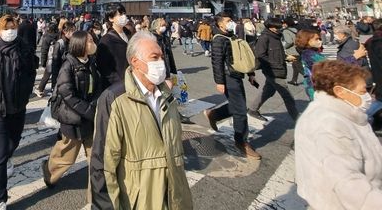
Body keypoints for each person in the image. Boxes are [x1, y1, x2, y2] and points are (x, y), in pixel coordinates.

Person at [91, 31, 193, 209]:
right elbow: (104, 164)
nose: (161, 63)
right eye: (154, 57)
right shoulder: (115, 100)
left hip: (175, 197)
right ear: (135, 62)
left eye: (161, 57)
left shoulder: (166, 96)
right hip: (139, 200)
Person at [295, 60, 382, 208]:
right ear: (340, 91)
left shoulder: (339, 112)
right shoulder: (331, 125)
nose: (368, 96)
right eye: (362, 91)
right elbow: (348, 184)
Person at [0, 15, 37, 210]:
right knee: (0, 154)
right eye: (7, 28)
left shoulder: (24, 50)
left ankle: (9, 154)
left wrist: (27, 91)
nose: (10, 31)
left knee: (15, 141)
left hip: (18, 107)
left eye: (13, 27)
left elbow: (31, 72)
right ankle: (0, 198)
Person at [42, 31, 102, 196]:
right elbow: (68, 94)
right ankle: (49, 171)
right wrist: (89, 110)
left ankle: (97, 198)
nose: (93, 43)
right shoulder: (67, 65)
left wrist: (94, 105)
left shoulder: (92, 62)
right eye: (89, 41)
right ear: (80, 44)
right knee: (66, 157)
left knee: (96, 158)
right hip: (73, 119)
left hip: (90, 117)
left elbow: (98, 87)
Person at [204, 12, 261, 159]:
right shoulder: (218, 39)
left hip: (237, 75)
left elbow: (243, 57)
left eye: (231, 20)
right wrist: (220, 82)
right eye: (228, 20)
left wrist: (250, 74)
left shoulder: (232, 36)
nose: (232, 22)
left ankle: (214, 114)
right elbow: (216, 62)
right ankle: (241, 141)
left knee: (238, 106)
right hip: (228, 77)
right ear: (220, 23)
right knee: (241, 109)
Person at [248, 18, 299, 122]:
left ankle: (253, 109)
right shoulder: (265, 37)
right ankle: (298, 120)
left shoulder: (276, 37)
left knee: (268, 91)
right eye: (277, 27)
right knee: (287, 96)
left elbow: (277, 53)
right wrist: (274, 63)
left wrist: (286, 57)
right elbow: (260, 55)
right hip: (272, 71)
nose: (280, 28)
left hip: (278, 68)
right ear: (271, 27)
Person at [95, 4, 131, 88]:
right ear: (111, 18)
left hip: (132, 80)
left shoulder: (129, 34)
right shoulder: (106, 40)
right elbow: (104, 67)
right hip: (118, 85)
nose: (124, 16)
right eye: (120, 14)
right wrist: (120, 82)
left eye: (124, 13)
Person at [297, 29, 325, 100]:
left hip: (316, 85)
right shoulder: (309, 54)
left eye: (319, 39)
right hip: (315, 87)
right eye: (316, 39)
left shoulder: (312, 51)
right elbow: (328, 64)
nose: (319, 41)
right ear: (306, 41)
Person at [365, 18, 382, 127]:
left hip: (377, 74)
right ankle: (362, 117)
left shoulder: (370, 41)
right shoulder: (379, 41)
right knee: (380, 101)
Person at [35, 22, 59, 97]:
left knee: (46, 76)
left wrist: (43, 63)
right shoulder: (59, 36)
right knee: (56, 75)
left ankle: (40, 90)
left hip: (51, 59)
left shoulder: (47, 37)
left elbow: (44, 51)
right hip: (59, 58)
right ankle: (54, 90)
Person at [50, 22, 76, 91]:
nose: (73, 33)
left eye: (74, 30)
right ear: (64, 31)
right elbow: (55, 65)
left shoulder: (73, 41)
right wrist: (54, 84)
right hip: (61, 74)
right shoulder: (60, 43)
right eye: (71, 31)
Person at [281, 17, 301, 85]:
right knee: (295, 66)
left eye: (284, 23)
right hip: (298, 49)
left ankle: (311, 79)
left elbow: (289, 42)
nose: (283, 25)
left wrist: (284, 47)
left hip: (292, 51)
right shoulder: (295, 29)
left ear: (286, 24)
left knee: (299, 67)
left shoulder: (286, 31)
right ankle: (294, 80)